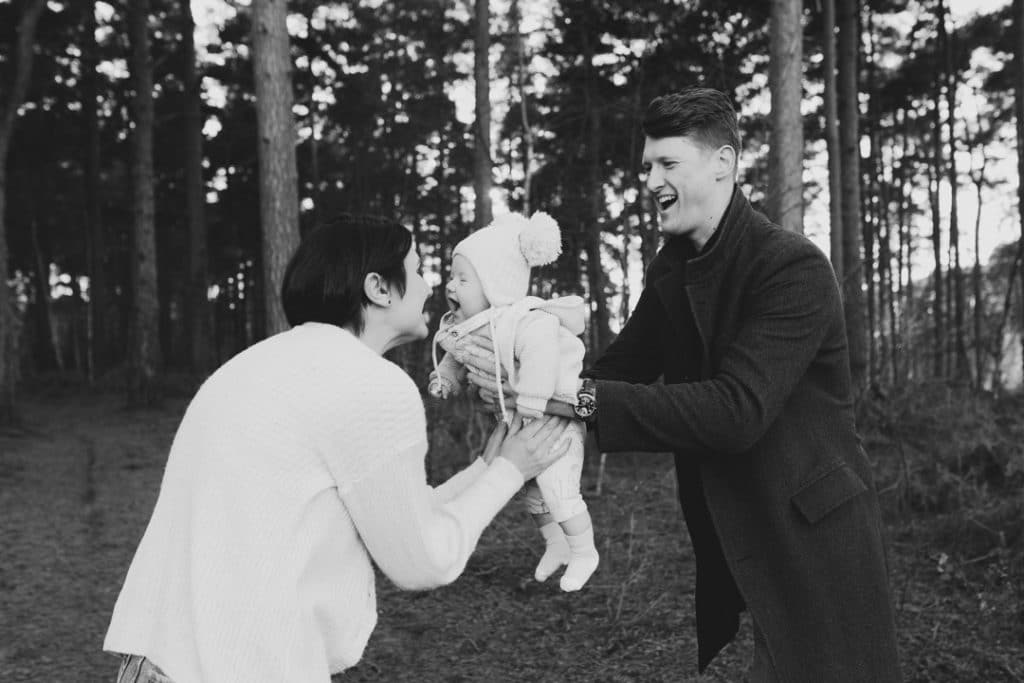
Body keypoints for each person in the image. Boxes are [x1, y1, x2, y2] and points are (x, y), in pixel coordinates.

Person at [465, 88, 901, 681]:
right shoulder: (673, 265)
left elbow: (736, 410)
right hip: (737, 522)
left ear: (724, 162)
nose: (650, 180)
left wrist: (574, 399)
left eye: (667, 163)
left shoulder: (791, 268)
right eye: (647, 166)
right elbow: (620, 368)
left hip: (813, 530)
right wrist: (525, 372)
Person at [103, 214, 573, 683]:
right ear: (378, 288)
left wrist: (488, 467)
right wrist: (511, 472)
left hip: (152, 665)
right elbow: (425, 558)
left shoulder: (252, 365)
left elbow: (396, 514)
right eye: (416, 269)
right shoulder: (370, 385)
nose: (431, 286)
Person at [428, 211, 599, 592]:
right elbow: (455, 358)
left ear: (496, 285)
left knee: (557, 485)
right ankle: (556, 544)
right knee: (531, 492)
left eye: (463, 279)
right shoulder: (466, 328)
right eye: (451, 276)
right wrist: (445, 380)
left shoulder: (524, 320)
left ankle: (585, 549)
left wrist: (534, 398)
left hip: (554, 417)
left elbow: (542, 352)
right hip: (520, 420)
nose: (450, 286)